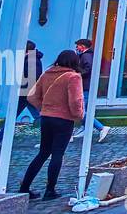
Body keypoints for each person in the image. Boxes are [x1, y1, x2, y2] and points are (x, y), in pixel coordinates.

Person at [17, 49, 84, 200]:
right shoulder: (73, 77)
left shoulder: (47, 73)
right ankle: (50, 190)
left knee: (43, 153)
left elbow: (32, 96)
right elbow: (75, 100)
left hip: (46, 118)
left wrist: (44, 107)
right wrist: (78, 115)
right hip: (63, 119)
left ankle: (24, 187)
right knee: (57, 153)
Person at [0, 41, 43, 149]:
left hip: (26, 94)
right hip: (26, 93)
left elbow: (32, 77)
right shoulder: (30, 59)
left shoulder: (32, 60)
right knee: (33, 116)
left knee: (19, 116)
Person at [72, 38, 110, 143]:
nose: (77, 47)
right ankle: (85, 128)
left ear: (83, 46)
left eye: (78, 45)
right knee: (84, 109)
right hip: (86, 85)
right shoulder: (87, 55)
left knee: (81, 110)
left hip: (85, 85)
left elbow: (88, 69)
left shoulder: (86, 56)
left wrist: (78, 74)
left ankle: (101, 127)